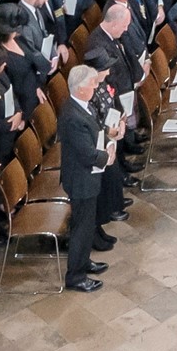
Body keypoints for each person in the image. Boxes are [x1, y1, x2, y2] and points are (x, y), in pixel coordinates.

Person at [58, 64, 113, 291]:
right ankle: (76, 276)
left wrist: (109, 139)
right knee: (81, 227)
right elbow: (87, 153)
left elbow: (96, 131)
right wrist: (106, 157)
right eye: (92, 84)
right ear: (80, 89)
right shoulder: (72, 116)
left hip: (87, 177)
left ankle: (84, 260)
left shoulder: (83, 106)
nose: (95, 86)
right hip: (80, 180)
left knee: (87, 224)